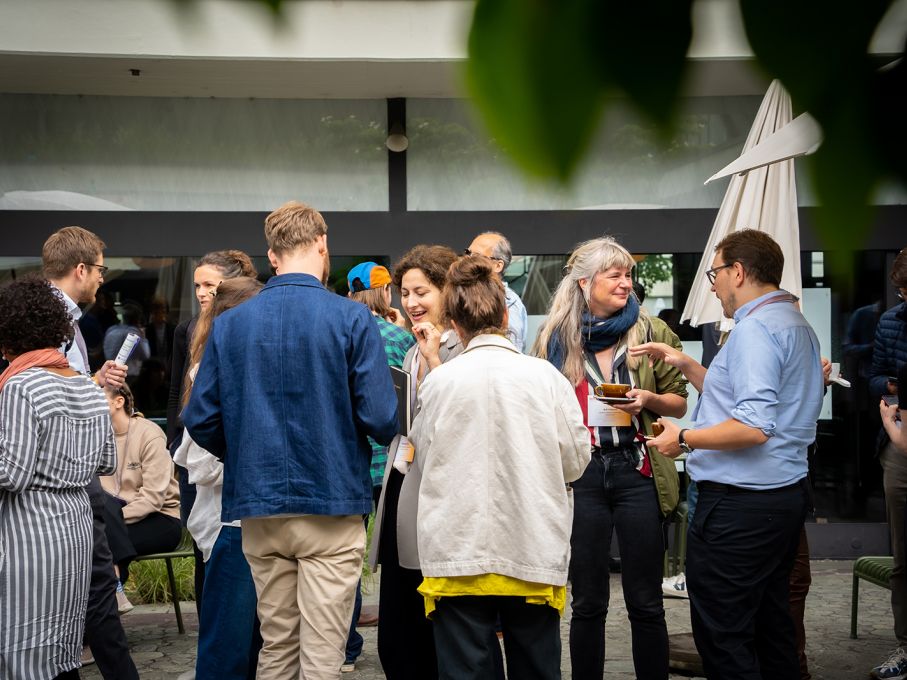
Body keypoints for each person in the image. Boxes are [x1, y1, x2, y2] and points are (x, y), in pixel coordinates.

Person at [183, 201, 398, 680]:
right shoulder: (351, 318)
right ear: (322, 244)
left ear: (272, 255)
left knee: (277, 647)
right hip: (331, 501)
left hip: (259, 506)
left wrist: (244, 453)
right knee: (322, 655)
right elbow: (382, 417)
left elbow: (199, 416)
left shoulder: (231, 323)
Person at [637, 229, 824, 680]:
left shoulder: (755, 330)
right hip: (781, 496)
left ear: (738, 272)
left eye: (715, 274)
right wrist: (686, 365)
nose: (713, 286)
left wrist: (684, 439)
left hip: (741, 507)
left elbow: (754, 426)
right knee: (771, 626)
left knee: (724, 636)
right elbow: (743, 400)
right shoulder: (793, 322)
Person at [410, 254, 589, 679]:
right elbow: (576, 460)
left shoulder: (440, 382)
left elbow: (425, 457)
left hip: (458, 552)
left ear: (455, 324)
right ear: (506, 316)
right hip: (531, 548)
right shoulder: (546, 377)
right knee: (536, 669)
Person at [533, 236, 688, 680]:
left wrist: (648, 400)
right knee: (587, 602)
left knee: (646, 601)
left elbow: (679, 404)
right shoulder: (554, 338)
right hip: (581, 474)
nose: (626, 283)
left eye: (628, 275)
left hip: (636, 469)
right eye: (615, 275)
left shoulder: (650, 332)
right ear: (585, 283)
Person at [0, 275, 116, 680]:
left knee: (22, 645)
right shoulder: (87, 386)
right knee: (62, 645)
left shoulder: (21, 385)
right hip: (76, 523)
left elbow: (11, 473)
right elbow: (106, 461)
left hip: (30, 528)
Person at [42, 225, 139, 680]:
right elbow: (52, 394)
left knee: (84, 589)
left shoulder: (62, 319)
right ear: (80, 269)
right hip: (70, 474)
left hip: (65, 475)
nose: (103, 277)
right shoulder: (52, 319)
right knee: (99, 587)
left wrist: (95, 381)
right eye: (100, 268)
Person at [370, 244, 463, 680]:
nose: (411, 303)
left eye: (421, 292)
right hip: (404, 488)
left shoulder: (462, 348)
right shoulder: (412, 348)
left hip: (440, 497)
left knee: (435, 623)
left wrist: (433, 361)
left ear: (448, 291)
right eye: (405, 293)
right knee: (398, 622)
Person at [174, 276, 264, 680]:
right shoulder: (210, 370)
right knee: (226, 646)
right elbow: (200, 460)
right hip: (229, 523)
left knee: (251, 642)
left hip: (248, 520)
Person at [342, 261, 415, 672]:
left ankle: (346, 647)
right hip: (391, 460)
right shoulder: (401, 337)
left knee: (346, 557)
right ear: (385, 292)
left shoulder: (343, 331)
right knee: (395, 556)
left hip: (353, 460)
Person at [99, 382, 181, 596]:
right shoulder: (96, 437)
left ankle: (110, 599)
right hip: (114, 521)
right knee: (95, 539)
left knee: (102, 541)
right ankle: (113, 595)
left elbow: (153, 499)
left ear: (119, 402)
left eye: (97, 397)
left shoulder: (149, 434)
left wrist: (113, 519)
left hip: (161, 518)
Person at [869, 247, 907, 680]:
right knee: (903, 555)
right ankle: (905, 644)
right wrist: (894, 385)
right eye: (901, 292)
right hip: (899, 443)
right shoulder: (890, 321)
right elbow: (874, 376)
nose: (904, 298)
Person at [465, 232, 528, 351]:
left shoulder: (510, 304)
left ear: (498, 266)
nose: (468, 260)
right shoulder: (464, 293)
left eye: (476, 256)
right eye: (468, 253)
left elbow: (508, 354)